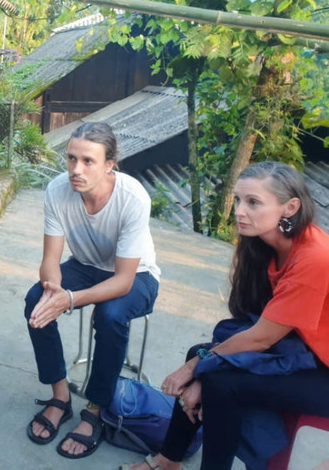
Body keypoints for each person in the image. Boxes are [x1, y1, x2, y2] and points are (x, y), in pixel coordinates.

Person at [122, 161, 329, 470]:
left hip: (321, 371)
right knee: (203, 360)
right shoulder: (264, 245)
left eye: (253, 202)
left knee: (220, 381)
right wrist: (201, 362)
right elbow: (252, 322)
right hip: (301, 351)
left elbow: (261, 337)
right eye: (238, 200)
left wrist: (198, 367)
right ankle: (168, 460)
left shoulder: (314, 256)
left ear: (290, 207)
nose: (239, 211)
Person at [24, 122, 160, 459]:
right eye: (71, 158)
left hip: (136, 274)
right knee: (33, 301)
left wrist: (69, 299)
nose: (75, 169)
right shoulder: (57, 191)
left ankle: (96, 410)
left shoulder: (132, 197)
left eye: (88, 161)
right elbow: (51, 259)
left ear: (110, 164)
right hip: (85, 267)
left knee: (111, 314)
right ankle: (61, 397)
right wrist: (51, 288)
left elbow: (124, 280)